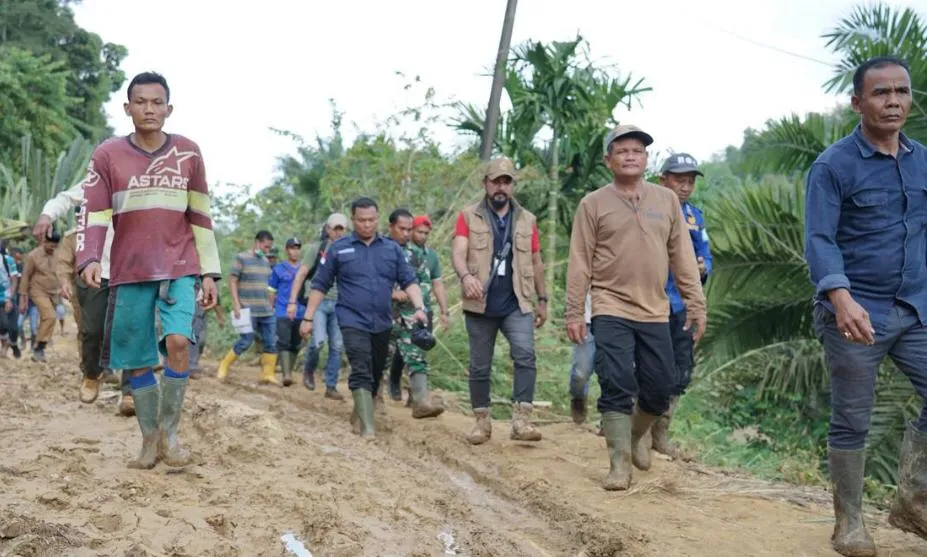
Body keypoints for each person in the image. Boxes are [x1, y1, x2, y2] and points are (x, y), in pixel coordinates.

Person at [805, 56, 927, 556]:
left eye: (901, 91)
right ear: (858, 102)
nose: (893, 101)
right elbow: (819, 239)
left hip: (916, 308)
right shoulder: (833, 165)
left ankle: (914, 500)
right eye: (881, 93)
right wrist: (841, 298)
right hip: (855, 311)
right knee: (853, 417)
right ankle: (849, 523)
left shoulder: (923, 159)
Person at [76, 71, 221, 470]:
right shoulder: (107, 155)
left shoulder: (189, 153)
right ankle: (149, 439)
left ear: (169, 109)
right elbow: (94, 213)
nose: (149, 109)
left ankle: (170, 434)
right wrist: (88, 258)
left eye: (157, 102)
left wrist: (210, 272)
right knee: (137, 357)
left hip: (180, 265)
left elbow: (201, 215)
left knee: (178, 343)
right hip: (129, 268)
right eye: (140, 102)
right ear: (127, 108)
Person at [565, 124, 707, 491]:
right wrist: (573, 310)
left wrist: (696, 303)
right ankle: (618, 465)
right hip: (610, 305)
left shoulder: (666, 201)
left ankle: (634, 435)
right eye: (622, 149)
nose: (630, 155)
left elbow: (683, 256)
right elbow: (579, 260)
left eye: (638, 150)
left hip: (655, 309)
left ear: (646, 159)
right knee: (616, 381)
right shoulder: (592, 204)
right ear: (608, 159)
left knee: (660, 386)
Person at [300, 197, 428, 438]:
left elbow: (409, 281)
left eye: (371, 220)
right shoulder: (339, 248)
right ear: (353, 220)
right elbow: (320, 284)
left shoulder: (391, 249)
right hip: (351, 319)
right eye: (361, 220)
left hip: (381, 320)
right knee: (360, 367)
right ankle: (368, 429)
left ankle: (360, 413)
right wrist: (307, 318)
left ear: (377, 219)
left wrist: (420, 307)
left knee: (376, 371)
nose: (367, 225)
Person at [451, 156, 548, 445]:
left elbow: (535, 259)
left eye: (506, 182)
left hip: (516, 302)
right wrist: (466, 277)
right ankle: (482, 421)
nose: (501, 187)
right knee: (480, 365)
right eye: (496, 181)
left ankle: (522, 420)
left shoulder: (527, 219)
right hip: (480, 303)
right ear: (486, 183)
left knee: (525, 355)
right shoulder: (468, 215)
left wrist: (542, 298)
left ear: (512, 186)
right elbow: (458, 251)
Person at [35, 171, 132, 412]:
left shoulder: (145, 184)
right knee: (92, 331)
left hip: (133, 269)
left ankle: (130, 391)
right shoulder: (98, 182)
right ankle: (91, 372)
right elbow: (65, 199)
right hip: (97, 272)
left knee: (131, 329)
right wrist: (47, 215)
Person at [654, 152, 713, 457]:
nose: (685, 187)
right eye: (679, 180)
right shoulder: (646, 211)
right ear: (663, 180)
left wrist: (703, 266)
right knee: (644, 366)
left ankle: (661, 431)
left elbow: (706, 252)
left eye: (690, 181)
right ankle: (626, 424)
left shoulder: (695, 217)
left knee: (681, 367)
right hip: (647, 301)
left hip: (681, 304)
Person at [385, 210, 445, 418]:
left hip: (409, 314)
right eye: (402, 229)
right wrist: (392, 294)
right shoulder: (378, 249)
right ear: (390, 227)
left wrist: (419, 306)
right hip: (382, 313)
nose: (406, 233)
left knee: (416, 355)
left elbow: (422, 282)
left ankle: (421, 402)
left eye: (409, 229)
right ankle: (372, 401)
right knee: (379, 358)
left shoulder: (415, 254)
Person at [288, 214, 347, 397]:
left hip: (340, 303)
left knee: (337, 345)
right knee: (319, 341)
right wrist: (292, 302)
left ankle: (331, 386)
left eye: (342, 228)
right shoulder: (317, 249)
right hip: (318, 302)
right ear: (328, 229)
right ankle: (308, 369)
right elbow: (301, 274)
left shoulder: (349, 250)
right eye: (335, 228)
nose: (338, 232)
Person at [216, 230, 278, 385]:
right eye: (265, 246)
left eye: (269, 247)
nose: (267, 250)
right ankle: (224, 364)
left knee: (271, 341)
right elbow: (232, 281)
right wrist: (236, 303)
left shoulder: (266, 261)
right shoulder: (242, 258)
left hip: (266, 310)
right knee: (246, 340)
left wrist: (272, 304)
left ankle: (267, 374)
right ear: (257, 242)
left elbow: (270, 286)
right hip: (247, 309)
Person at [269, 237, 306, 387]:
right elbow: (271, 290)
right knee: (283, 341)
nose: (295, 251)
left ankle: (289, 370)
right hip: (282, 310)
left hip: (301, 311)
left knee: (296, 343)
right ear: (287, 250)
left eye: (297, 248)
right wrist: (273, 306)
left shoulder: (304, 269)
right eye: (292, 248)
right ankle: (286, 374)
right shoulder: (278, 269)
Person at [19, 231, 61, 362]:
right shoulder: (33, 256)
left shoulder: (58, 255)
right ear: (45, 242)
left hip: (54, 292)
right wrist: (22, 298)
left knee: (49, 320)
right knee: (50, 316)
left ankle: (39, 347)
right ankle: (39, 348)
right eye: (51, 245)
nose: (52, 248)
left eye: (55, 246)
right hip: (38, 291)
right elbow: (25, 276)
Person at [569, 293, 595, 425]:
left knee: (612, 372)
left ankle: (609, 418)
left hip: (617, 318)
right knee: (581, 372)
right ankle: (578, 398)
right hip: (586, 319)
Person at [0, 243, 21, 359]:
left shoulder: (8, 260)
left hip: (9, 296)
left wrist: (9, 298)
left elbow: (14, 281)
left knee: (13, 328)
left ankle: (13, 344)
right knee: (2, 325)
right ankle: (3, 350)